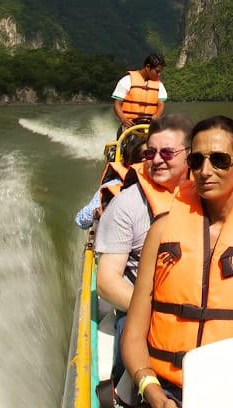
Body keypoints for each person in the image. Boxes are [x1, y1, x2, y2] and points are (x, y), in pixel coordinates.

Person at [121, 115, 233, 407]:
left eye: (219, 160)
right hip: (168, 390)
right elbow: (134, 334)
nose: (205, 171)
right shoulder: (162, 230)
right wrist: (151, 390)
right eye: (197, 160)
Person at [94, 115, 193, 389]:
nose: (157, 160)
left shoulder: (208, 197)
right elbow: (107, 281)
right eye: (150, 153)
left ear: (190, 155)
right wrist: (156, 312)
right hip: (144, 308)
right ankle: (124, 391)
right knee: (131, 331)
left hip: (201, 306)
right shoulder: (126, 206)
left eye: (167, 153)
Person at [112, 53, 167, 136]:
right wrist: (124, 120)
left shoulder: (159, 85)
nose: (159, 74)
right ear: (148, 67)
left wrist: (157, 115)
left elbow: (161, 105)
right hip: (130, 125)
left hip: (149, 125)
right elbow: (117, 104)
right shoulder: (126, 80)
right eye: (157, 71)